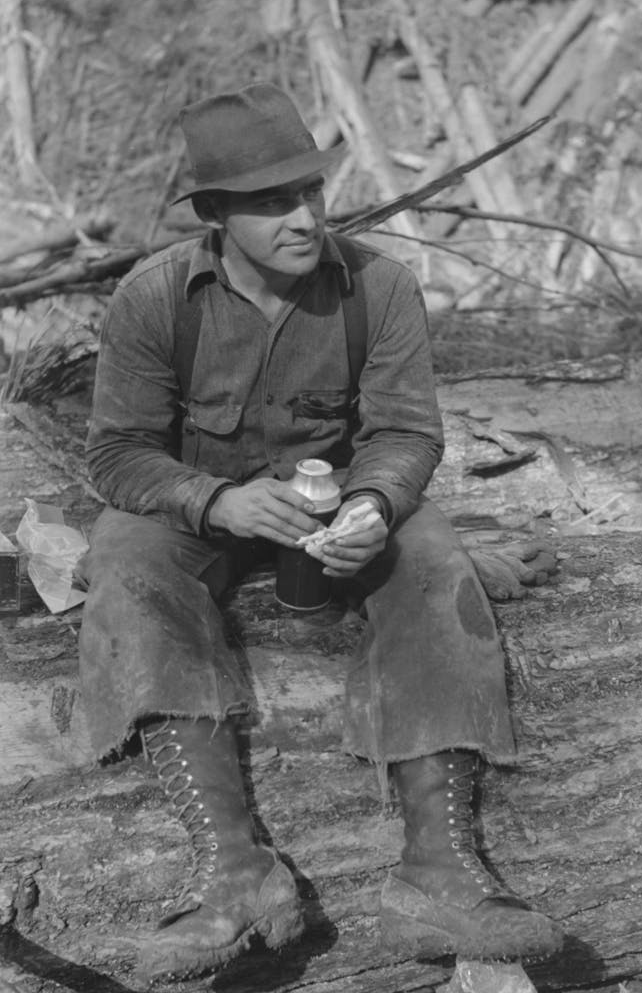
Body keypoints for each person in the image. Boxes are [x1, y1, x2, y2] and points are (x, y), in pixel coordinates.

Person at [76, 83, 562, 983]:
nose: (303, 218)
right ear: (217, 215)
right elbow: (118, 456)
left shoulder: (379, 285)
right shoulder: (157, 300)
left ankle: (440, 873)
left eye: (311, 192)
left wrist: (374, 504)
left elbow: (407, 434)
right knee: (126, 554)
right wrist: (217, 502)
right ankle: (236, 876)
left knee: (432, 553)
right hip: (203, 511)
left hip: (338, 505)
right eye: (271, 202)